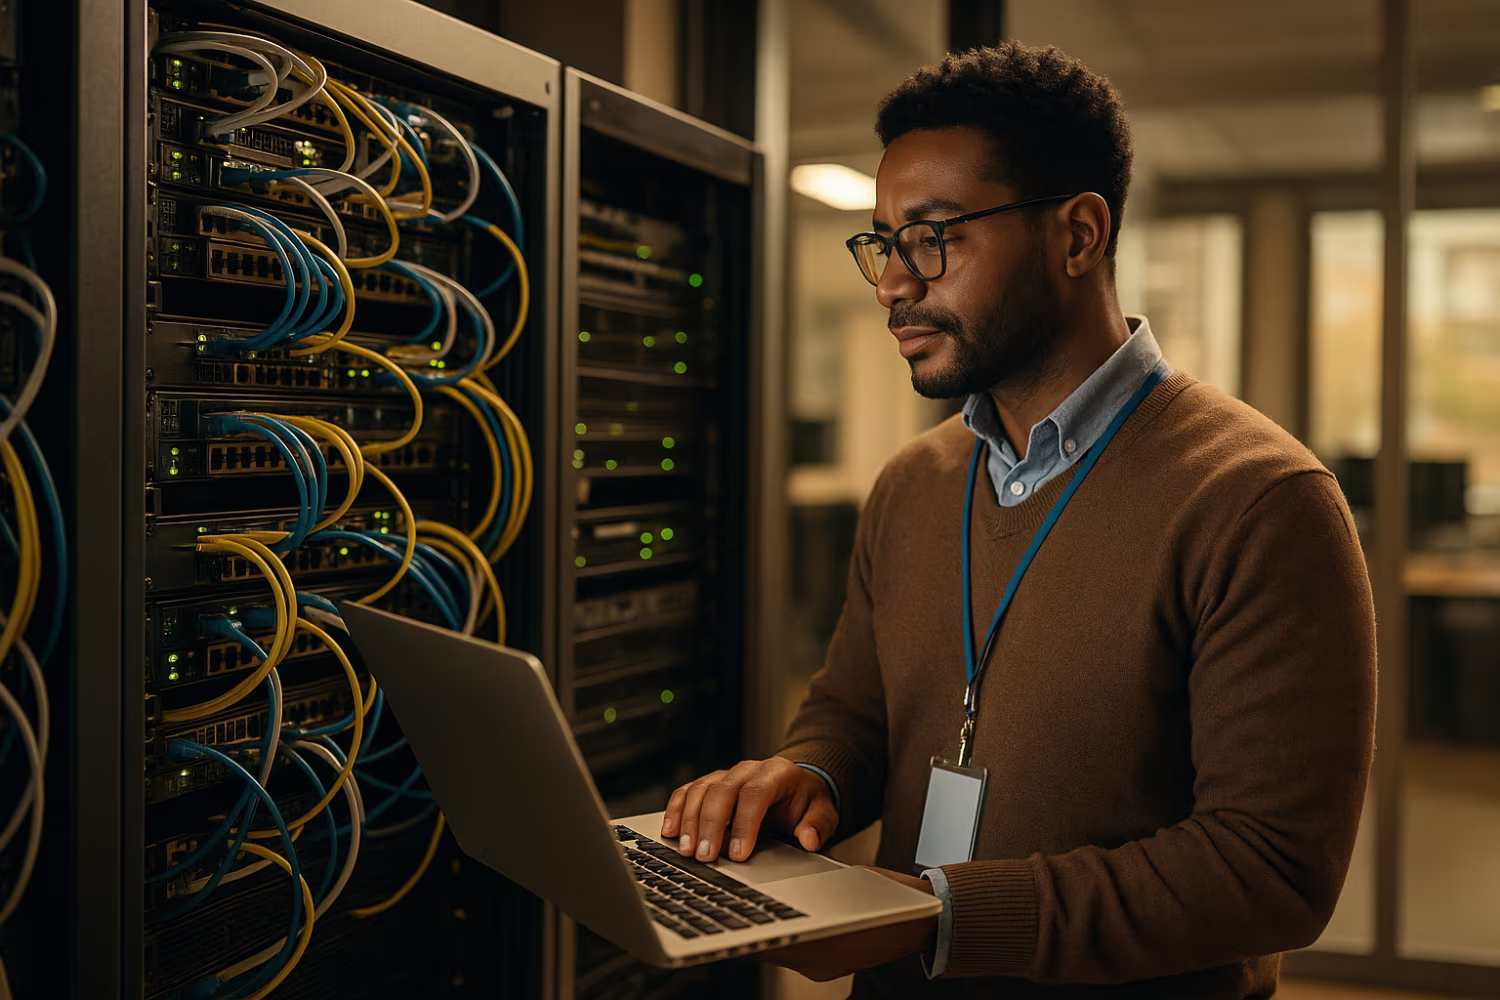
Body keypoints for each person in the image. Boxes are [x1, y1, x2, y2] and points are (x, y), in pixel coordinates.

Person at [661, 41, 1376, 998]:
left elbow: (1270, 872)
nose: (892, 286)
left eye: (933, 237)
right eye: (882, 242)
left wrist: (944, 914)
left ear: (1078, 236)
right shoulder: (914, 481)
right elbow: (853, 715)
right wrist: (809, 777)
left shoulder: (1259, 500)